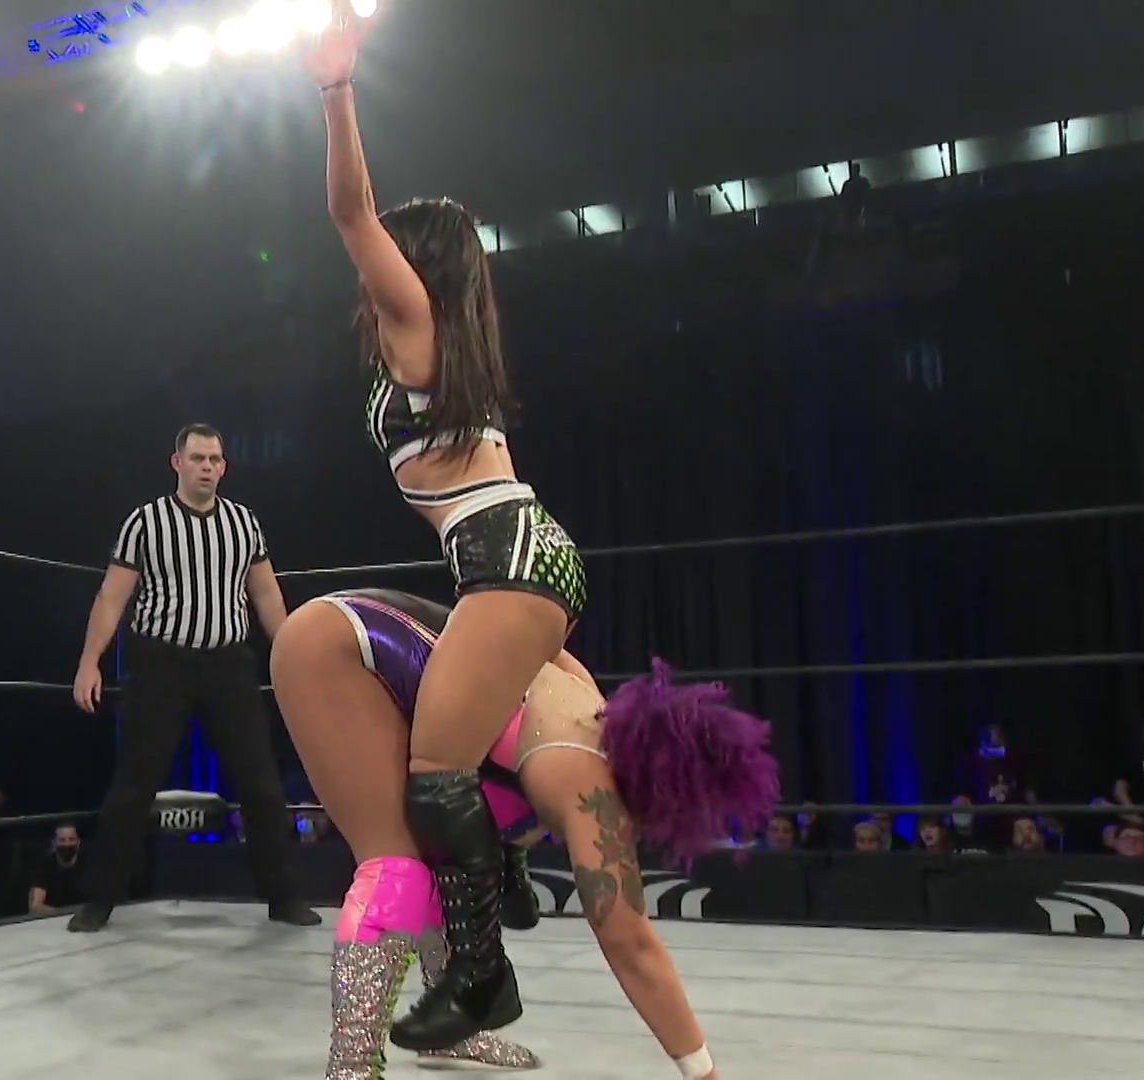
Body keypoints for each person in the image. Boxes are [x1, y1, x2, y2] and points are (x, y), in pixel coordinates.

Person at [299, 7, 587, 1045]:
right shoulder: (443, 349)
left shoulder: (415, 326)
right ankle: (499, 874)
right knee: (461, 753)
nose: (368, 271)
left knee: (434, 771)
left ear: (413, 263)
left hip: (509, 560)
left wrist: (336, 89)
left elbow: (348, 212)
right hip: (515, 562)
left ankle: (480, 973)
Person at [272, 589, 779, 1080]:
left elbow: (536, 649)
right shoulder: (590, 790)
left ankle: (451, 1028)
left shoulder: (586, 698)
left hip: (378, 632)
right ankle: (352, 1066)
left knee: (443, 845)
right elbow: (630, 944)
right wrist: (701, 1070)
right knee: (396, 867)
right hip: (336, 649)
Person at [69, 423, 317, 932]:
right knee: (135, 781)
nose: (206, 466)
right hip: (162, 664)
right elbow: (112, 596)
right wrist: (89, 661)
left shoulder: (243, 523)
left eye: (214, 459)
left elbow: (266, 595)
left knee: (260, 781)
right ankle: (101, 898)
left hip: (229, 664)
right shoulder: (146, 522)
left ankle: (284, 896)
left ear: (224, 467)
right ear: (177, 462)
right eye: (198, 457)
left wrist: (292, 656)